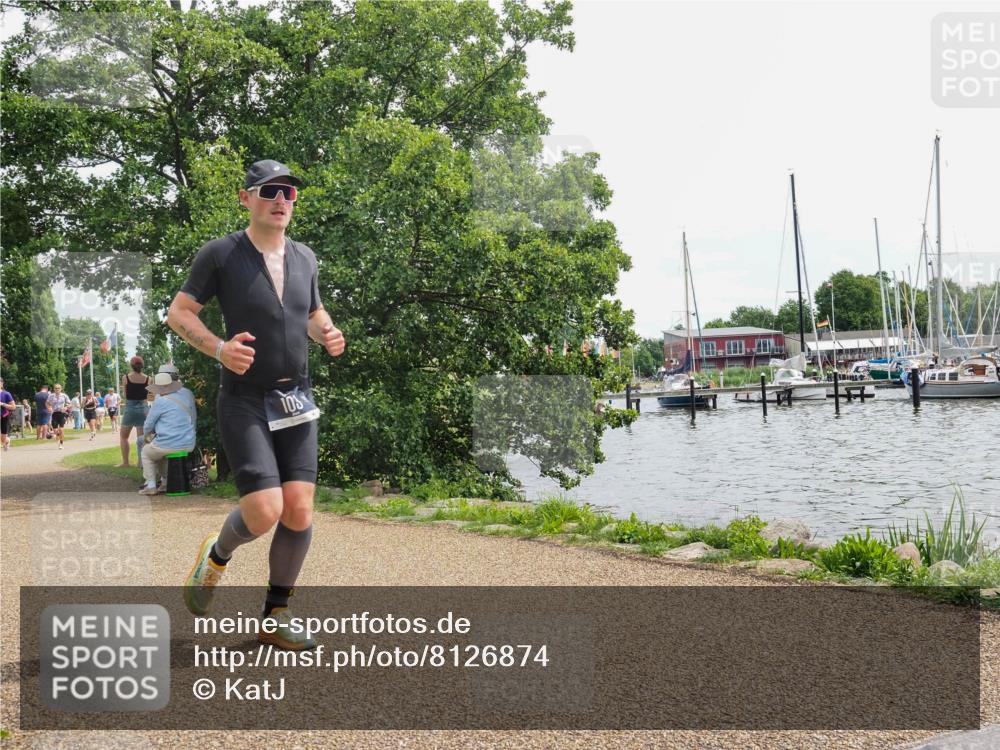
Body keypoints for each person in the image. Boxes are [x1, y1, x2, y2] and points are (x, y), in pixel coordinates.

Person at [167, 159, 345, 651]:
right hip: (244, 399)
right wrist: (219, 349)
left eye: (289, 192)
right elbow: (179, 313)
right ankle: (217, 554)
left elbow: (311, 312)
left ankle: (275, 616)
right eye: (270, 191)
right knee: (265, 511)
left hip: (296, 398)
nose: (281, 200)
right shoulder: (221, 254)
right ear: (246, 198)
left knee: (299, 510)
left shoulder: (306, 257)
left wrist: (327, 332)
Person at [138, 372, 197, 495]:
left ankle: (151, 485)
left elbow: (148, 424)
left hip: (170, 443)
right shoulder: (185, 397)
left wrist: (147, 436)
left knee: (146, 452)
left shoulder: (161, 401)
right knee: (159, 452)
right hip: (188, 442)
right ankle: (165, 482)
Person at [119, 356, 150, 467]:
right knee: (141, 438)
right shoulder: (148, 378)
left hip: (130, 408)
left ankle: (125, 462)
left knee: (124, 437)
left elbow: (125, 394)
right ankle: (141, 463)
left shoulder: (126, 377)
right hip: (143, 409)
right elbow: (148, 395)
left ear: (131, 366)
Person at [46, 383, 71, 449]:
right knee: (55, 430)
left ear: (61, 389)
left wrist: (66, 407)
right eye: (56, 388)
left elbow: (69, 403)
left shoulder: (64, 395)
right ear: (54, 389)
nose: (57, 389)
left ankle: (61, 443)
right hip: (54, 413)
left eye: (58, 388)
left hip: (62, 413)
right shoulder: (51, 396)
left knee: (61, 429)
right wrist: (49, 407)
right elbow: (47, 403)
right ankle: (57, 436)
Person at [0, 378, 15, 451]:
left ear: (2, 383)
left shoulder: (6, 394)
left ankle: (7, 440)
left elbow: (13, 407)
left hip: (4, 416)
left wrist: (2, 404)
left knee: (3, 439)